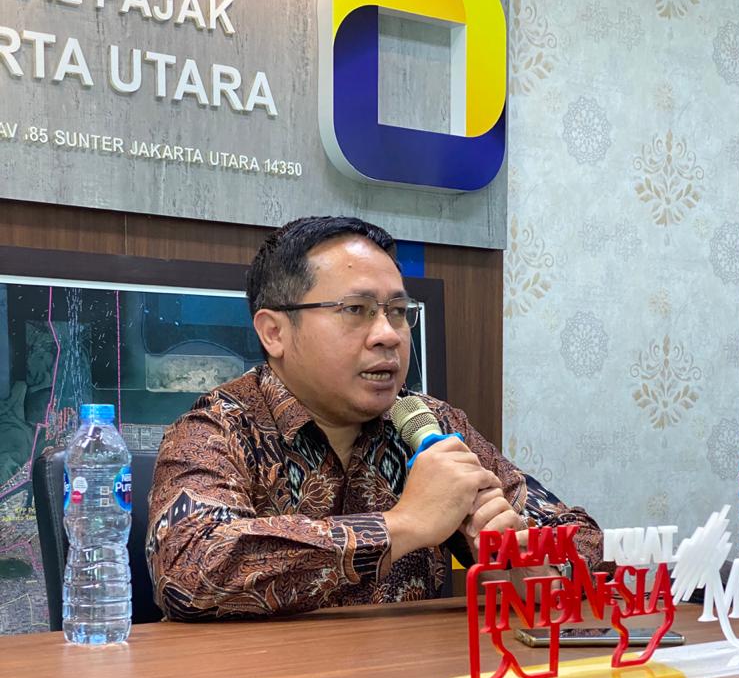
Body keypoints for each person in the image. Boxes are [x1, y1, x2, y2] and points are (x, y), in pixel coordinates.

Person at [146, 216, 605, 620]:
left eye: (398, 312)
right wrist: (404, 525)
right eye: (356, 310)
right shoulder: (214, 430)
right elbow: (188, 570)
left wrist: (522, 556)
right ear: (274, 332)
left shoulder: (428, 423)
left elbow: (587, 543)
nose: (388, 335)